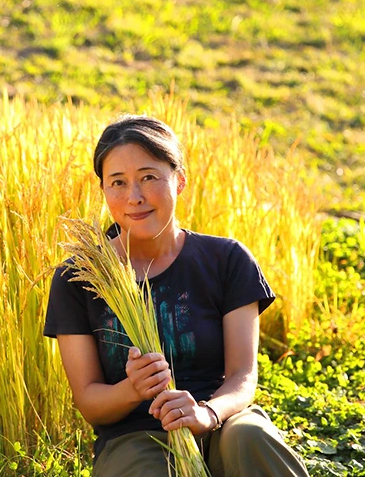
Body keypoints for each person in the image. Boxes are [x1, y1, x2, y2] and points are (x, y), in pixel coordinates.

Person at [43, 115, 310, 476]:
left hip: (220, 422)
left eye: (149, 177)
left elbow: (243, 376)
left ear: (179, 179)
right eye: (117, 183)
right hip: (133, 435)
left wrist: (206, 413)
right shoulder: (79, 278)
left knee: (250, 436)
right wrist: (133, 389)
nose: (134, 197)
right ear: (104, 190)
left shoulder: (226, 260)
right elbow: (89, 402)